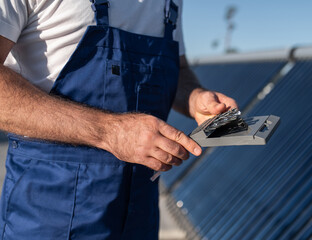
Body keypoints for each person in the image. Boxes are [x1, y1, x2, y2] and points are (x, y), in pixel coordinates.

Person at [0, 0, 237, 239]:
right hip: (48, 214)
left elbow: (180, 69)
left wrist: (195, 96)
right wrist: (110, 131)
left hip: (140, 215)